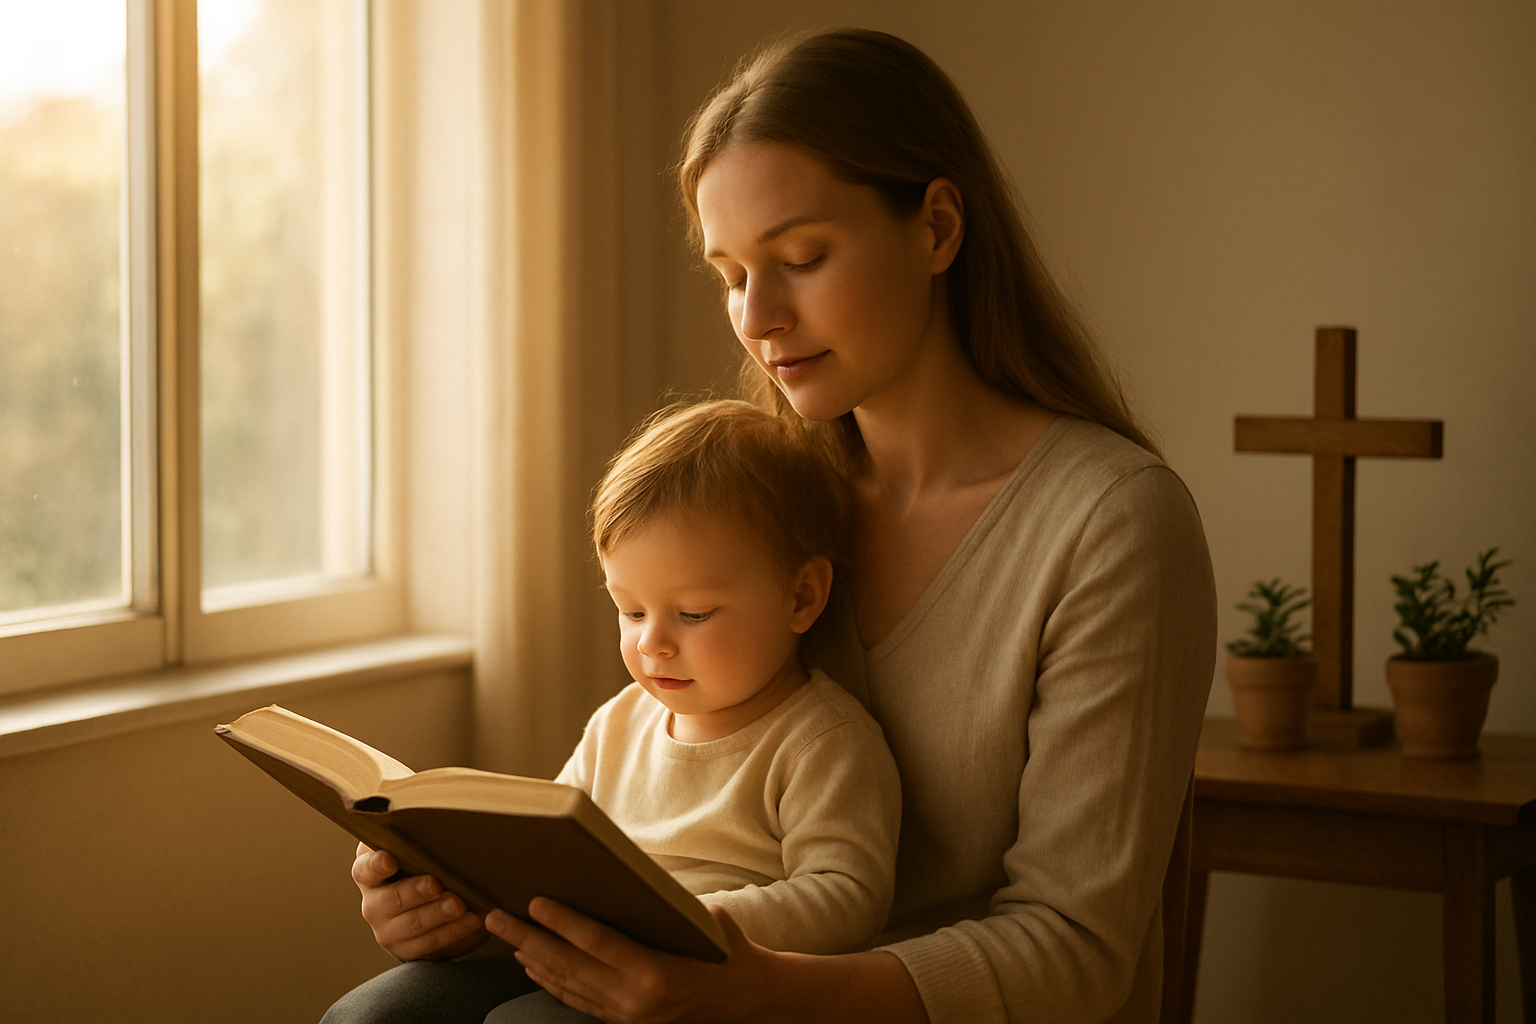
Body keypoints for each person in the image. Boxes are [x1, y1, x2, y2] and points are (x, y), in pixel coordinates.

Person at [355, 26, 1216, 1024]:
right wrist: (473, 898)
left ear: (937, 228)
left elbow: (1074, 954)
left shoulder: (1111, 525)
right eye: (729, 274)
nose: (758, 315)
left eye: (801, 257)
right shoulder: (762, 499)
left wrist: (760, 991)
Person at [325, 400, 902, 1023]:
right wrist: (451, 879)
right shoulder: (621, 721)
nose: (652, 641)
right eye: (631, 611)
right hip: (573, 952)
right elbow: (551, 846)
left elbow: (849, 897)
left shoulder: (822, 739)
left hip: (701, 989)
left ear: (801, 596)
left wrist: (686, 919)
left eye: (694, 613)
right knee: (374, 1016)